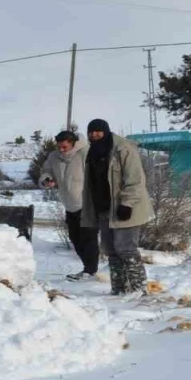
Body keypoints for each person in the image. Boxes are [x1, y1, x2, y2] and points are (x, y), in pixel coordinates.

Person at [81, 119, 154, 294]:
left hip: (125, 209)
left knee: (126, 249)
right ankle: (119, 289)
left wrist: (127, 203)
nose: (94, 135)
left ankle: (139, 289)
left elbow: (135, 180)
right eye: (91, 132)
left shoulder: (123, 149)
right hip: (104, 209)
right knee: (111, 250)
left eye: (98, 131)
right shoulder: (92, 152)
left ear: (106, 131)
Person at [39, 130, 99, 281]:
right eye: (59, 147)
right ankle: (88, 268)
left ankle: (91, 271)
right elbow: (46, 170)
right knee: (75, 238)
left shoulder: (86, 153)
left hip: (87, 204)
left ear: (73, 144)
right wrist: (47, 179)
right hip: (69, 205)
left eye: (64, 147)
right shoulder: (54, 157)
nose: (61, 150)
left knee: (88, 239)